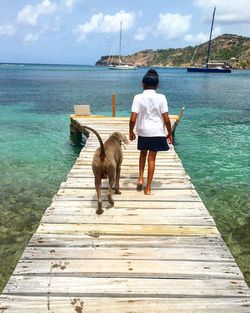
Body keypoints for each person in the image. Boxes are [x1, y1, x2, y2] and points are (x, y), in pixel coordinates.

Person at [129, 69, 172, 195]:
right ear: (157, 85)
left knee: (143, 154)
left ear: (142, 83)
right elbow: (166, 119)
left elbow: (133, 118)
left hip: (143, 131)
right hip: (157, 131)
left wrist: (131, 131)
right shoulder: (161, 98)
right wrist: (169, 133)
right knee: (151, 159)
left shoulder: (138, 97)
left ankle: (140, 178)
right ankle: (148, 188)